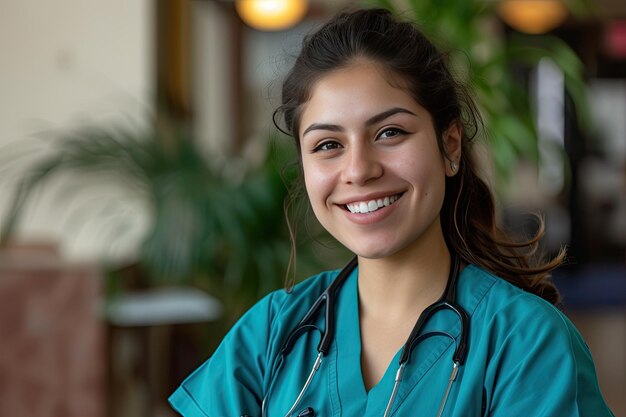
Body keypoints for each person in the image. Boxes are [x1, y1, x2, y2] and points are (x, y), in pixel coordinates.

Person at [169, 8, 614, 417]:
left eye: (389, 132)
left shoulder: (525, 343)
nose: (359, 170)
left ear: (450, 146)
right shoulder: (270, 335)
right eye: (328, 145)